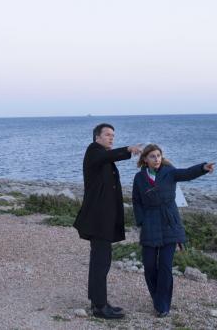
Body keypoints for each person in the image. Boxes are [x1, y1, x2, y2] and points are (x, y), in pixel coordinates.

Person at [132, 144, 215, 318]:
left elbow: (186, 173)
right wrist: (141, 221)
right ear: (145, 159)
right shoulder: (139, 178)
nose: (157, 159)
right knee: (149, 267)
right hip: (150, 224)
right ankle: (157, 298)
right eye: (153, 156)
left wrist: (202, 168)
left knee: (165, 267)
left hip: (170, 222)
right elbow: (136, 201)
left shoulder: (169, 172)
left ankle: (163, 306)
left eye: (159, 155)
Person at [73, 123, 142, 319]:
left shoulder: (102, 155)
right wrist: (128, 150)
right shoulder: (94, 151)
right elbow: (107, 156)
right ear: (97, 137)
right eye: (108, 135)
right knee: (100, 262)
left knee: (101, 262)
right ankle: (100, 307)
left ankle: (99, 301)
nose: (112, 138)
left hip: (103, 219)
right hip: (98, 220)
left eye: (113, 135)